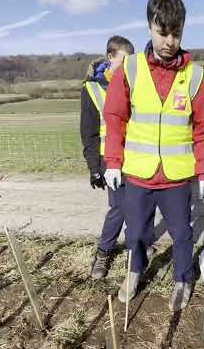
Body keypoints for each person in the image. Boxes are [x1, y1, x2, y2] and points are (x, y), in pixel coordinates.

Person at [103, 0, 204, 311]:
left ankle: (183, 279)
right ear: (149, 26)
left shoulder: (194, 75)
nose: (170, 40)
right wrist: (112, 161)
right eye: (162, 32)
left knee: (182, 234)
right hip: (138, 174)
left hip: (176, 177)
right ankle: (134, 271)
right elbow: (115, 119)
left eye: (176, 33)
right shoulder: (129, 69)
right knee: (137, 232)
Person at [80, 36, 155, 279]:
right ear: (110, 57)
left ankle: (143, 246)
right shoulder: (91, 89)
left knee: (143, 204)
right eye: (122, 60)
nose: (126, 66)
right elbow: (88, 132)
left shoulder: (134, 83)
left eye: (130, 61)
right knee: (120, 208)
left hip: (136, 155)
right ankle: (103, 252)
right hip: (108, 159)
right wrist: (94, 167)